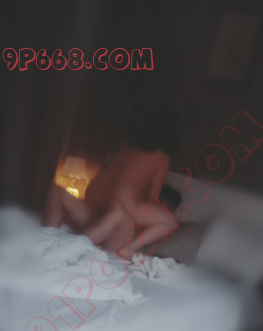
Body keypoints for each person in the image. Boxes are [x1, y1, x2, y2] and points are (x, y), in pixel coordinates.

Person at [43, 104, 181, 259]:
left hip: (91, 215)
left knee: (55, 190)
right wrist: (151, 211)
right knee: (169, 222)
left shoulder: (124, 147)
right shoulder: (161, 157)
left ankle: (47, 237)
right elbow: (153, 197)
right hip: (113, 225)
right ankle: (128, 249)